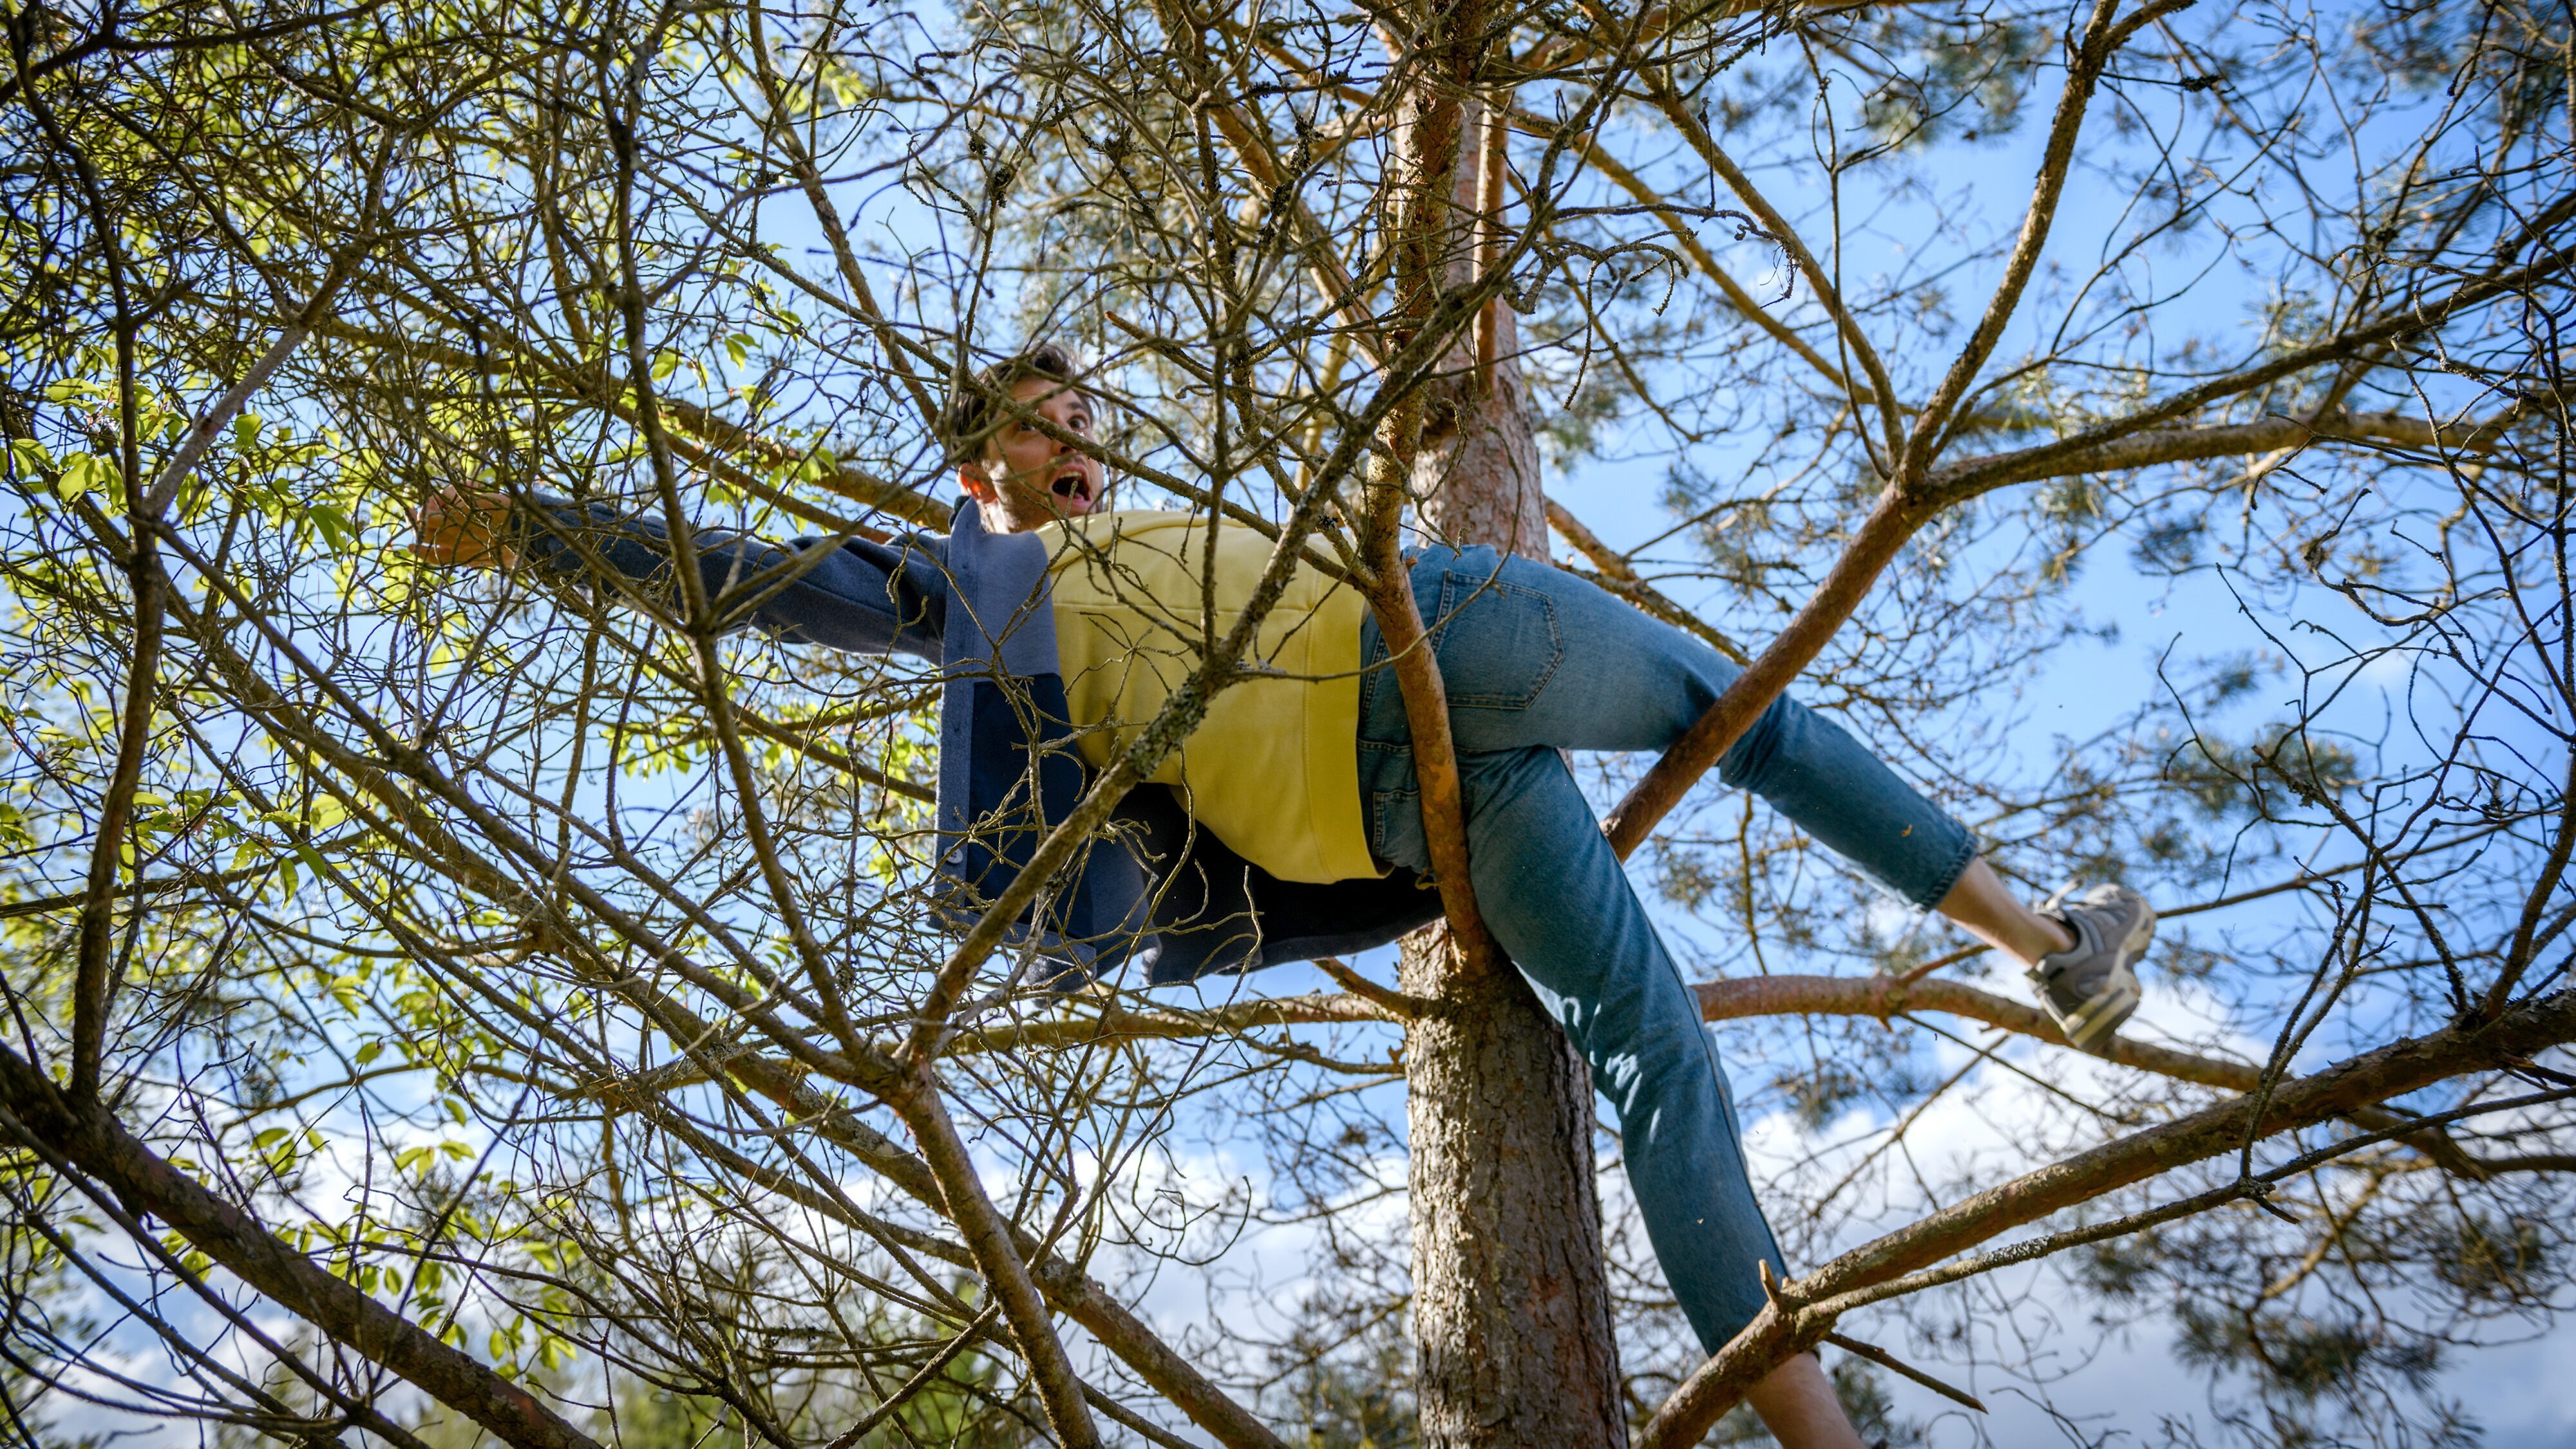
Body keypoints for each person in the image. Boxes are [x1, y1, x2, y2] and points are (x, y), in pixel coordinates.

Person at [417, 345, 2155, 1448]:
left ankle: (2038, 962)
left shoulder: (1130, 554)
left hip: (1419, 697)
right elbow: (748, 575)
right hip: (1402, 758)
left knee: (1673, 954)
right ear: (982, 469)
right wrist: (524, 528)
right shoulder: (983, 584)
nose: (1082, 455)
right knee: (1706, 807)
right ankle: (2039, 965)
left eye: (1091, 432)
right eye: (1047, 435)